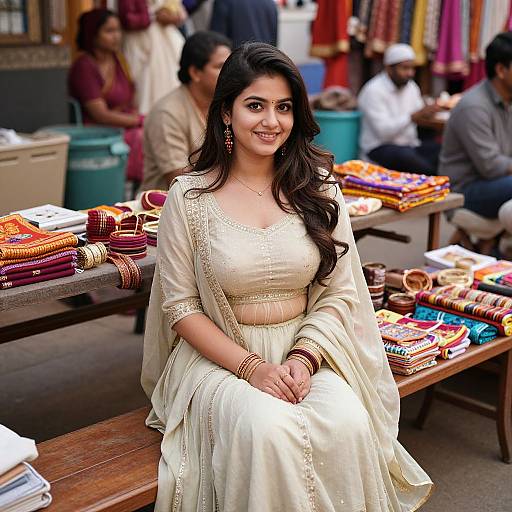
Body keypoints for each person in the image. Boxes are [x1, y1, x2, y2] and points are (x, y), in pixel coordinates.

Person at [141, 42, 432, 511]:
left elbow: (339, 293)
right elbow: (180, 307)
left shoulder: (316, 190)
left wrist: (305, 357)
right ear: (225, 113)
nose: (271, 121)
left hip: (306, 351)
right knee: (268, 431)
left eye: (284, 107)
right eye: (255, 105)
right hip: (219, 359)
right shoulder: (189, 197)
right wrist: (252, 369)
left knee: (348, 423)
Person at [439, 32, 512, 233]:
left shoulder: (507, 100)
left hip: (496, 182)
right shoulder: (474, 107)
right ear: (501, 70)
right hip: (465, 190)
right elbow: (491, 166)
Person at [141, 31, 231, 191]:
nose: (228, 73)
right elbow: (179, 178)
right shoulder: (167, 113)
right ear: (195, 72)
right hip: (164, 206)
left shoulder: (226, 105)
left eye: (229, 66)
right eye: (219, 66)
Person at [68, 8, 144, 184]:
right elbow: (100, 114)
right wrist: (137, 121)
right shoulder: (84, 66)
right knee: (143, 136)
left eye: (118, 30)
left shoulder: (119, 60)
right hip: (96, 129)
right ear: (93, 34)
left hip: (122, 123)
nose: (116, 36)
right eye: (109, 31)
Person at [358, 44, 441, 174]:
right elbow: (384, 132)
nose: (410, 73)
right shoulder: (373, 91)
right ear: (389, 68)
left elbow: (419, 115)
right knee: (408, 158)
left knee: (443, 151)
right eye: (404, 68)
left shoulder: (411, 87)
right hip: (379, 147)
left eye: (412, 68)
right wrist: (412, 117)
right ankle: (435, 184)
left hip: (410, 145)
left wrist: (431, 111)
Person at [118, 0, 185, 114]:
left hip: (166, 40)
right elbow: (127, 19)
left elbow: (179, 10)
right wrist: (153, 16)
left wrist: (176, 15)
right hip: (141, 42)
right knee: (145, 87)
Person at [210, 0, 277, 48]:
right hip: (263, 61)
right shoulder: (271, 3)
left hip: (236, 62)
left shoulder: (224, 2)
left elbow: (216, 40)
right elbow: (274, 41)